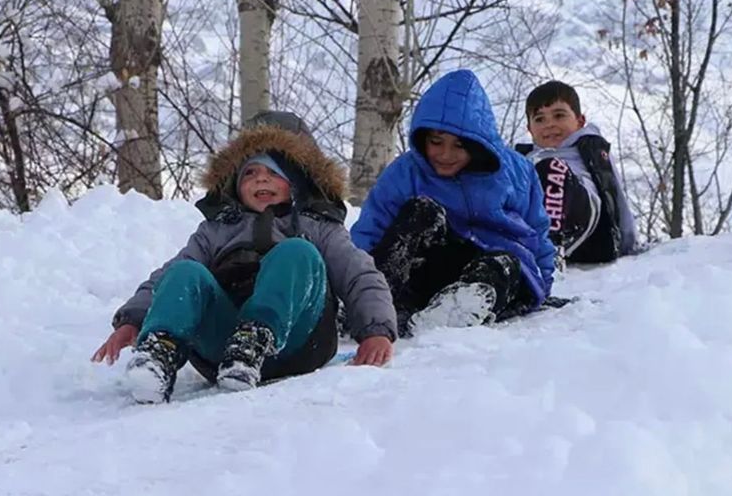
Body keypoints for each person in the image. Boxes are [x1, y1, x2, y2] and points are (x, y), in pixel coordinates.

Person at [92, 111, 396, 403]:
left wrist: (376, 330)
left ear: (298, 180)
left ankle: (255, 338)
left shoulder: (317, 226)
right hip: (222, 345)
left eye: (274, 172)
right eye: (250, 172)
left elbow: (359, 275)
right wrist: (133, 319)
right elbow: (168, 279)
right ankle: (159, 353)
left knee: (297, 252)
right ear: (235, 183)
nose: (261, 180)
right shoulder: (217, 230)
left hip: (298, 341)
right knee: (186, 270)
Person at [350, 69, 556, 338]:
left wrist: (544, 283)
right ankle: (376, 301)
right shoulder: (406, 173)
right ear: (423, 138)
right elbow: (371, 229)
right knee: (422, 211)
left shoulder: (515, 171)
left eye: (459, 145)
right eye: (436, 142)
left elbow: (537, 229)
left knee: (504, 262)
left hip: (502, 274)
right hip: (436, 268)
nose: (445, 154)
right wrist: (353, 286)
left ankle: (459, 308)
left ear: (478, 144)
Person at [516, 80, 637, 265]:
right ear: (530, 129)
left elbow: (615, 192)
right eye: (540, 119)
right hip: (533, 233)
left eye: (559, 115)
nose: (549, 124)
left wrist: (628, 243)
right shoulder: (522, 160)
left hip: (592, 233)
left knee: (551, 169)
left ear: (580, 121)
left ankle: (551, 249)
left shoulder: (590, 149)